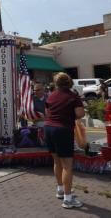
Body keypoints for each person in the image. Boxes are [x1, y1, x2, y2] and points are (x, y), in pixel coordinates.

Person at [44, 72, 84, 209]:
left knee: (57, 161)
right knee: (67, 165)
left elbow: (47, 112)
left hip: (48, 128)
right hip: (63, 130)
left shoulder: (51, 95)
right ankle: (68, 199)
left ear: (56, 83)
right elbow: (80, 114)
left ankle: (60, 189)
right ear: (69, 82)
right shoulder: (73, 96)